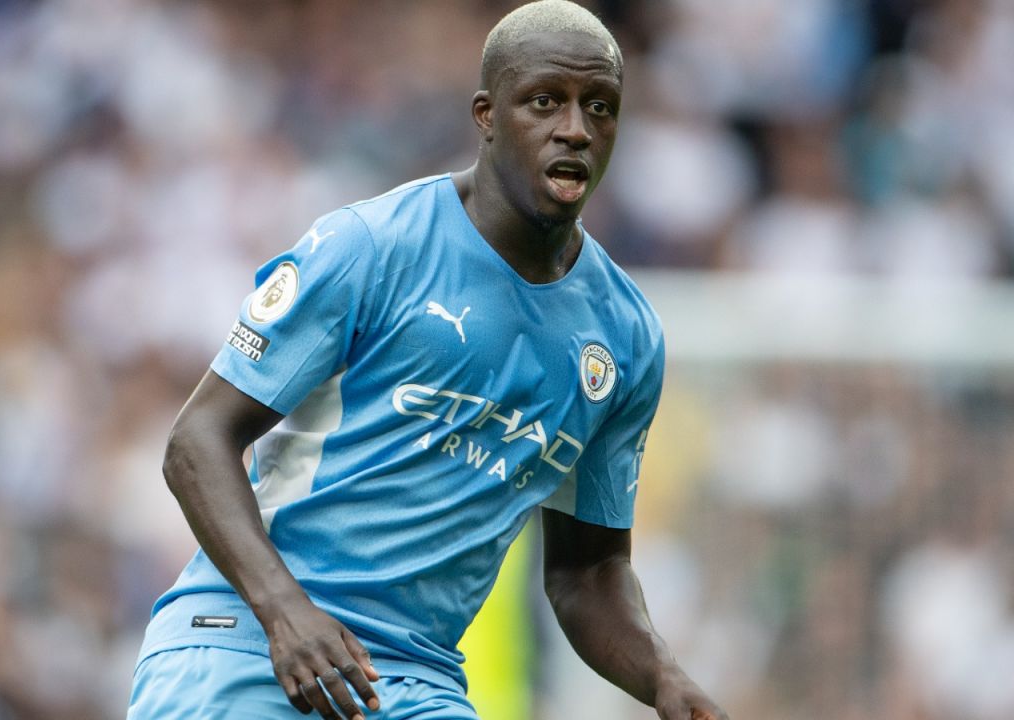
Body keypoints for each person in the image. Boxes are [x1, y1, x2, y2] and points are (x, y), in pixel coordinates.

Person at [128, 2, 727, 719]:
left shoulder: (625, 339)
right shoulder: (371, 248)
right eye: (546, 102)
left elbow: (588, 569)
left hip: (411, 680)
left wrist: (661, 677)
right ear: (487, 114)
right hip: (245, 642)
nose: (576, 128)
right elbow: (197, 441)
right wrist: (284, 610)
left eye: (600, 107)